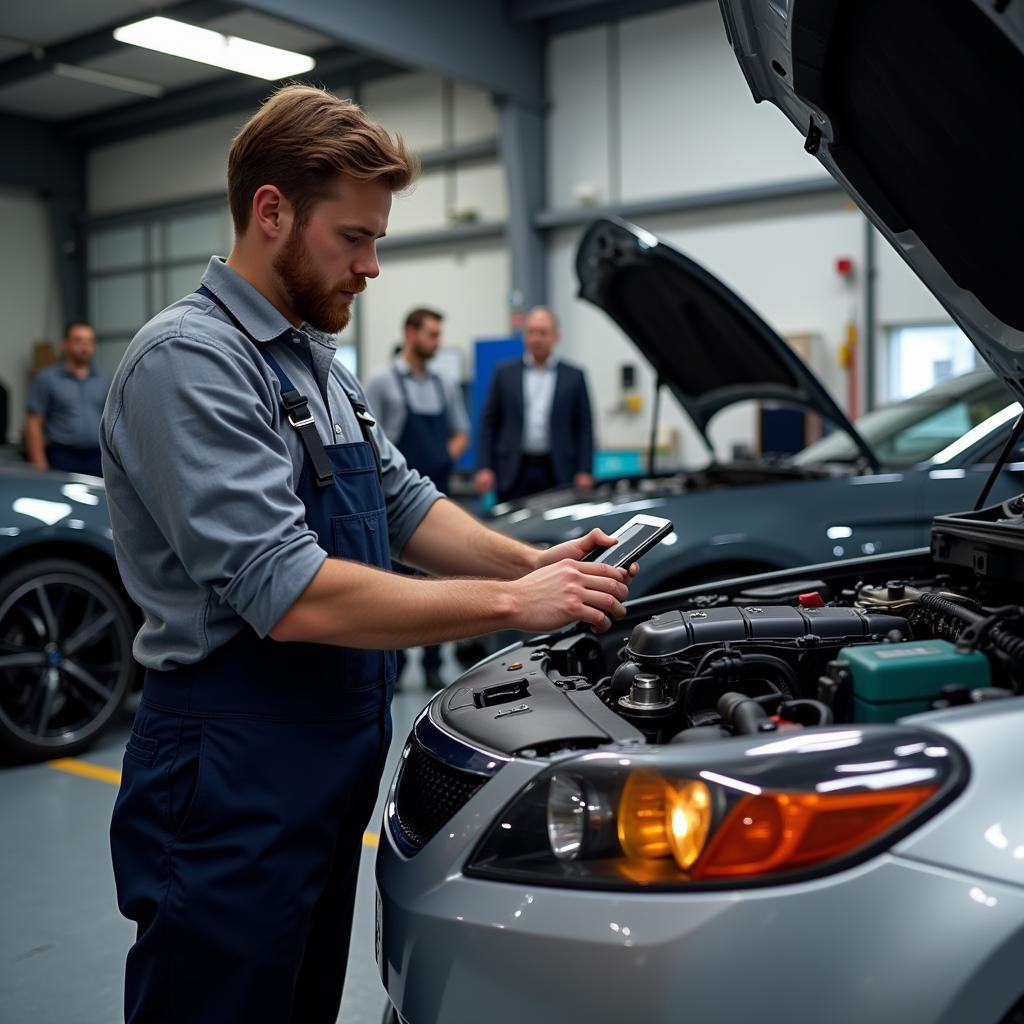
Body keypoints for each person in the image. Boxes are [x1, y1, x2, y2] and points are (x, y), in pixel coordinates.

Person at [101, 84, 633, 1024]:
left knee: (297, 1000)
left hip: (321, 760)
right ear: (271, 212)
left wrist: (534, 561)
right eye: (354, 237)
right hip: (230, 763)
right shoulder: (187, 362)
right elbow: (288, 590)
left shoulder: (310, 360)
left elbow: (400, 501)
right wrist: (514, 607)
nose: (372, 265)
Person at [364, 307, 470, 690]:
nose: (437, 343)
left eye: (439, 336)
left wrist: (446, 455)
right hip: (393, 499)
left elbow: (461, 432)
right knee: (393, 583)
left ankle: (431, 664)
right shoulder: (381, 381)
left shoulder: (444, 383)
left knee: (436, 582)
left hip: (436, 492)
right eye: (431, 335)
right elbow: (367, 438)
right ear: (410, 333)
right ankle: (391, 665)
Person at [474, 306, 595, 504]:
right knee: (509, 529)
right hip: (513, 469)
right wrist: (484, 467)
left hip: (557, 469)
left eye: (543, 332)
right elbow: (489, 423)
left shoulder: (574, 376)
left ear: (556, 336)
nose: (536, 338)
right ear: (524, 336)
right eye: (531, 332)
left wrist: (585, 470)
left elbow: (584, 427)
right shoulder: (504, 373)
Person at [25, 321, 109, 475]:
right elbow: (34, 422)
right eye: (78, 340)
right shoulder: (46, 378)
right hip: (62, 456)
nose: (84, 346)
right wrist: (38, 463)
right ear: (65, 344)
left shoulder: (103, 379)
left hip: (97, 456)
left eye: (89, 341)